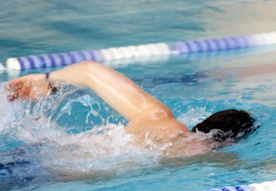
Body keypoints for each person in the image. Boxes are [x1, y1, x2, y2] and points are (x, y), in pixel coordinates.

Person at [5, 61, 256, 158]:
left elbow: (91, 70)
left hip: (38, 151)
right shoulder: (200, 148)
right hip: (52, 168)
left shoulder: (157, 117)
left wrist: (47, 80)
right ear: (230, 140)